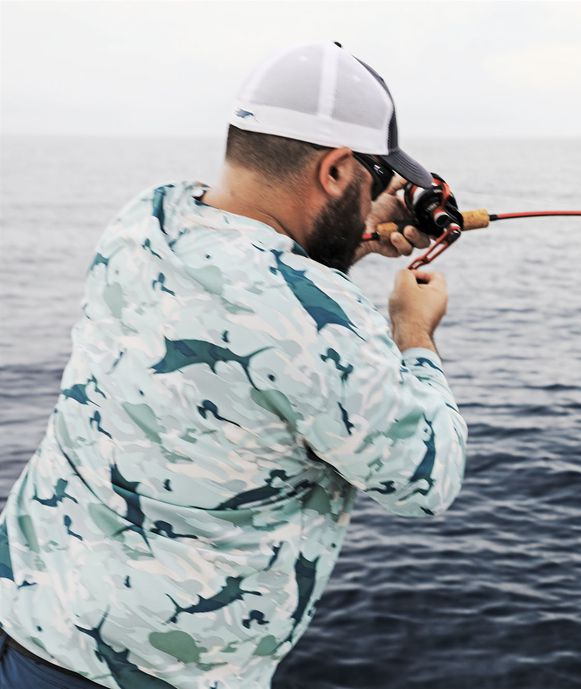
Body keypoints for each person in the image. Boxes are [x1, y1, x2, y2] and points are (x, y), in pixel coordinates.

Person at [0, 41, 467, 689]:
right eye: (373, 181)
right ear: (335, 170)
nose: (375, 201)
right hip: (147, 672)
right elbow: (426, 479)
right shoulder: (316, 316)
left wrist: (345, 245)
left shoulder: (145, 218)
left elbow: (256, 297)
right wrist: (413, 333)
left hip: (28, 616)